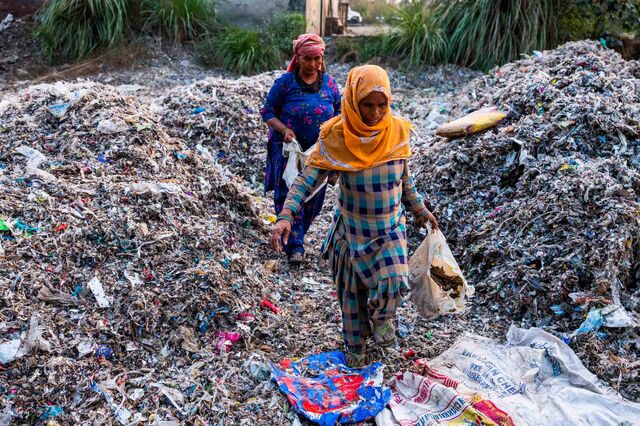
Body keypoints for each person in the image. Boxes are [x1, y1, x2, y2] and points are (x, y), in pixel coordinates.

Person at [270, 65, 438, 367]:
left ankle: (383, 321)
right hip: (351, 233)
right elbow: (307, 180)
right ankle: (356, 349)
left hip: (389, 231)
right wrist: (286, 215)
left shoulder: (397, 131)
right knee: (352, 299)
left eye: (382, 104)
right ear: (353, 101)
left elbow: (404, 180)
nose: (375, 112)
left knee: (394, 283)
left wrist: (419, 210)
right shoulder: (337, 136)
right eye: (367, 105)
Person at [261, 33, 342, 265]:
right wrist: (283, 130)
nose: (313, 65)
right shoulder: (285, 84)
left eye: (318, 59)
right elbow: (267, 112)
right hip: (288, 151)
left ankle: (297, 235)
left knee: (314, 199)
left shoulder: (329, 84)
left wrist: (336, 153)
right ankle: (295, 246)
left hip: (318, 152)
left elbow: (338, 116)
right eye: (308, 59)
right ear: (297, 58)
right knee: (289, 193)